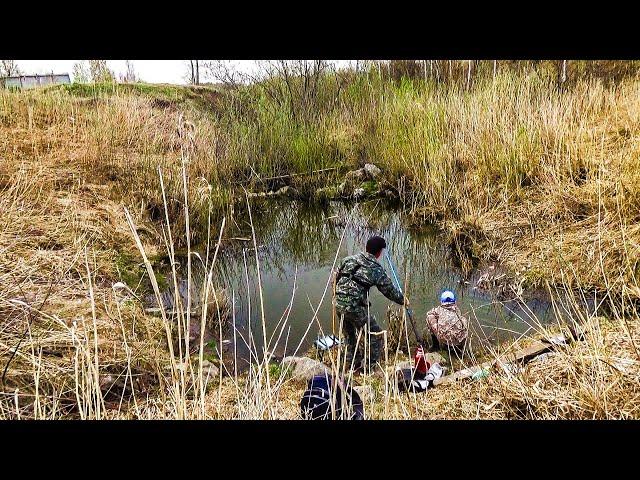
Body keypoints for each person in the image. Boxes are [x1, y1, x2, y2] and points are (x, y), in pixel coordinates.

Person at [334, 236, 406, 373]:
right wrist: (403, 300)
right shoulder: (375, 268)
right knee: (375, 335)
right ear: (379, 253)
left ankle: (352, 363)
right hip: (354, 307)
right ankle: (369, 368)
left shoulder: (347, 260)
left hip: (338, 303)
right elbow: (389, 291)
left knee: (349, 335)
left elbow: (336, 278)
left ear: (366, 248)